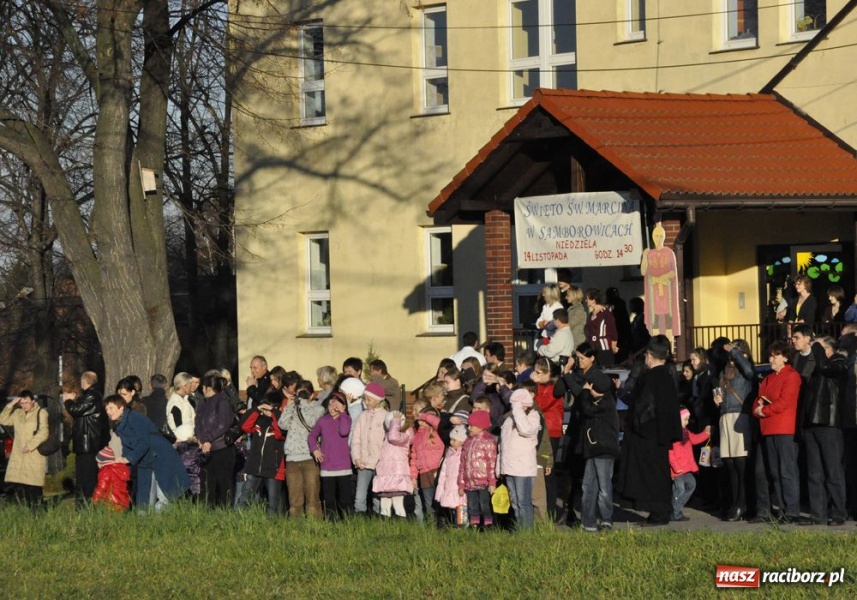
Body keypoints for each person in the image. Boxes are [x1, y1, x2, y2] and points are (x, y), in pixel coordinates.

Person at [616, 336, 683, 525]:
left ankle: (658, 512)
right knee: (660, 474)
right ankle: (660, 511)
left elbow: (643, 407)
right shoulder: (668, 375)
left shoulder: (651, 377)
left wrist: (634, 423)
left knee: (651, 475)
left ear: (651, 355)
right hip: (660, 434)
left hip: (647, 434)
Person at [559, 343, 619, 531]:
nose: (579, 361)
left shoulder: (604, 401)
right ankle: (588, 522)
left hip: (601, 447)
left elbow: (584, 403)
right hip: (590, 445)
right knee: (588, 484)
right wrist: (566, 373)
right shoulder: (582, 378)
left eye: (582, 358)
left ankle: (605, 520)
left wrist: (580, 387)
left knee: (603, 486)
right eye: (577, 357)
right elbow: (560, 390)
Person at [751, 341, 809, 524]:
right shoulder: (768, 378)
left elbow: (785, 402)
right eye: (770, 355)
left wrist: (763, 410)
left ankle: (792, 510)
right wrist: (757, 409)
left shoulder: (792, 376)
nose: (771, 359)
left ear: (785, 357)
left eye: (775, 355)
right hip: (768, 428)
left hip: (784, 428)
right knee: (775, 472)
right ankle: (783, 509)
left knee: (787, 471)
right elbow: (758, 399)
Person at [104, 394, 189, 511]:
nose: (108, 412)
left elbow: (144, 442)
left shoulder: (135, 418)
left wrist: (128, 459)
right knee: (144, 493)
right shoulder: (120, 424)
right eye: (106, 409)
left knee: (165, 492)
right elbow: (127, 447)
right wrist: (122, 461)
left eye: (111, 408)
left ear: (121, 407)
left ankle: (162, 518)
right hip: (144, 459)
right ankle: (143, 518)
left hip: (160, 455)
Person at [802, 336, 848, 525]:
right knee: (814, 473)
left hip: (829, 424)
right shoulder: (815, 365)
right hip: (811, 423)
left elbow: (826, 368)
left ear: (827, 349)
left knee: (833, 471)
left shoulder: (839, 361)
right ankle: (818, 514)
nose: (813, 348)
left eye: (818, 346)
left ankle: (838, 513)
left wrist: (817, 349)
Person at [237, 377, 286, 515]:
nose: (266, 412)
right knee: (244, 499)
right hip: (255, 467)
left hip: (273, 469)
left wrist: (274, 413)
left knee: (273, 504)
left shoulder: (279, 424)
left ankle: (273, 524)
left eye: (269, 408)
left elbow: (280, 432)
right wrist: (257, 409)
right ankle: (241, 519)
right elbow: (244, 425)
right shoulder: (259, 424)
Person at [62, 371, 109, 504]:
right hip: (88, 443)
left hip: (88, 443)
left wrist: (68, 400)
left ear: (84, 382)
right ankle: (84, 502)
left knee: (86, 477)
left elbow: (76, 410)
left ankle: (85, 503)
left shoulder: (92, 396)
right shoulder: (92, 395)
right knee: (84, 476)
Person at [499, 388, 541, 530]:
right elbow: (503, 445)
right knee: (515, 502)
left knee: (523, 502)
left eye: (517, 404)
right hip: (509, 467)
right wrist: (499, 467)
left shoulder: (533, 417)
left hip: (523, 468)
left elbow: (525, 430)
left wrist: (518, 409)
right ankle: (520, 530)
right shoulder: (509, 419)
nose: (515, 407)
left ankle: (527, 532)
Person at [308, 391, 354, 520]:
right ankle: (331, 523)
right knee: (329, 499)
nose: (332, 408)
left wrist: (342, 413)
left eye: (336, 405)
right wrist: (315, 450)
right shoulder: (323, 421)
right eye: (329, 405)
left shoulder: (346, 419)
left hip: (343, 467)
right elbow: (312, 436)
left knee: (344, 499)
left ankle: (347, 523)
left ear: (343, 406)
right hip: (327, 466)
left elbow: (344, 431)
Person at [0, 391, 49, 508]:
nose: (24, 405)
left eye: (27, 402)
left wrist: (30, 446)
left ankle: (39, 510)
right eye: (21, 403)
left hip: (34, 453)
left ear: (33, 401)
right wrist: (10, 405)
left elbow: (44, 432)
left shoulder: (41, 412)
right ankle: (27, 510)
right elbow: (3, 420)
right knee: (22, 485)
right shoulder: (17, 413)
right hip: (19, 455)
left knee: (34, 485)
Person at [195, 373, 237, 508]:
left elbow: (223, 424)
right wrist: (201, 439)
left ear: (208, 388)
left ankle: (226, 510)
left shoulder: (223, 401)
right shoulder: (203, 403)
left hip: (221, 448)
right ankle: (207, 510)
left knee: (224, 484)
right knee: (207, 483)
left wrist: (208, 439)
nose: (202, 390)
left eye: (203, 387)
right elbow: (198, 423)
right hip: (206, 448)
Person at [351, 382, 388, 515]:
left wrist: (385, 460)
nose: (366, 402)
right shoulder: (362, 416)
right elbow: (356, 440)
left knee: (378, 495)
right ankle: (360, 519)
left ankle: (380, 519)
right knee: (360, 496)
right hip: (364, 462)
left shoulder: (386, 416)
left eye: (369, 399)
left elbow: (388, 441)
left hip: (380, 463)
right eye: (364, 399)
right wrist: (357, 458)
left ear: (378, 400)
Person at [669, 408, 710, 521]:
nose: (687, 422)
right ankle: (675, 512)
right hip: (677, 469)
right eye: (685, 419)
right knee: (680, 489)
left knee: (691, 484)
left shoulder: (686, 431)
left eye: (688, 419)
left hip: (686, 467)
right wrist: (676, 467)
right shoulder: (673, 434)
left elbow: (695, 439)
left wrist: (706, 434)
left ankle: (676, 508)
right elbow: (670, 453)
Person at [457, 410, 497, 529]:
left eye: (471, 425)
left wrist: (492, 482)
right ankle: (475, 526)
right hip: (470, 482)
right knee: (472, 506)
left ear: (481, 426)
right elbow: (463, 464)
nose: (468, 428)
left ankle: (488, 526)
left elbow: (491, 463)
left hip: (483, 481)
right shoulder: (468, 441)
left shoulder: (488, 441)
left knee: (484, 505)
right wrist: (461, 483)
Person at [372, 411, 414, 518]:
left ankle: (400, 524)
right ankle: (385, 524)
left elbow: (394, 437)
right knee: (384, 504)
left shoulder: (405, 435)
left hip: (397, 474)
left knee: (397, 503)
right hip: (385, 474)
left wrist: (395, 420)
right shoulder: (387, 436)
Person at [411, 406, 446, 522]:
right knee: (428, 502)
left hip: (437, 471)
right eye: (419, 420)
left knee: (440, 500)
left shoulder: (437, 431)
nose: (420, 422)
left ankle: (443, 523)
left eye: (423, 420)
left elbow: (437, 422)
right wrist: (413, 476)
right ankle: (432, 525)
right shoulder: (417, 436)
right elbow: (413, 457)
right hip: (424, 474)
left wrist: (423, 415)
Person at [584, 288, 618, 367]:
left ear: (593, 300)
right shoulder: (592, 313)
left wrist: (613, 347)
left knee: (605, 369)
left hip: (603, 349)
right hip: (593, 348)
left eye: (587, 298)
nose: (586, 300)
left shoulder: (605, 313)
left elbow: (613, 332)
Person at [166, 372, 196, 438]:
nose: (192, 387)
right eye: (190, 384)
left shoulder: (186, 400)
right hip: (182, 440)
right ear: (184, 386)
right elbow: (178, 427)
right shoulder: (175, 403)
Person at [564, 286, 587, 355]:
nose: (566, 297)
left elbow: (570, 324)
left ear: (574, 296)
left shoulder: (579, 310)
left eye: (568, 295)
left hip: (577, 343)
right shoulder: (571, 309)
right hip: (571, 341)